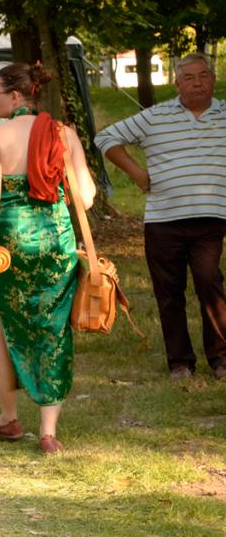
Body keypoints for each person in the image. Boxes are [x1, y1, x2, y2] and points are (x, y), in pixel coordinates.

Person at [0, 63, 95, 455]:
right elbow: (87, 198)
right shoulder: (64, 133)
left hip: (10, 244)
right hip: (56, 241)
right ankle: (48, 431)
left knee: (3, 324)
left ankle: (8, 419)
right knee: (54, 328)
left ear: (16, 95)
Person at [95, 52, 226, 380]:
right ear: (177, 83)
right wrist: (137, 173)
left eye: (204, 76)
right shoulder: (155, 116)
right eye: (190, 77)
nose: (198, 83)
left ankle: (221, 360)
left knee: (210, 282)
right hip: (163, 217)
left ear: (213, 79)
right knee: (169, 290)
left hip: (210, 216)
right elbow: (105, 138)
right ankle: (180, 362)